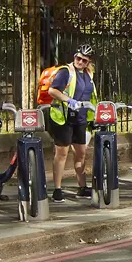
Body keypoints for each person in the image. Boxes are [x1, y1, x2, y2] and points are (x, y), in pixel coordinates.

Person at [45, 46, 97, 201]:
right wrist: (69, 101)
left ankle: (82, 187)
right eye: (78, 58)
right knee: (62, 153)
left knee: (81, 153)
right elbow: (52, 91)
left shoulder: (89, 74)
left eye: (84, 60)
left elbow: (91, 95)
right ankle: (57, 189)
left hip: (81, 118)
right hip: (64, 118)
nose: (80, 62)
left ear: (88, 62)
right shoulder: (66, 71)